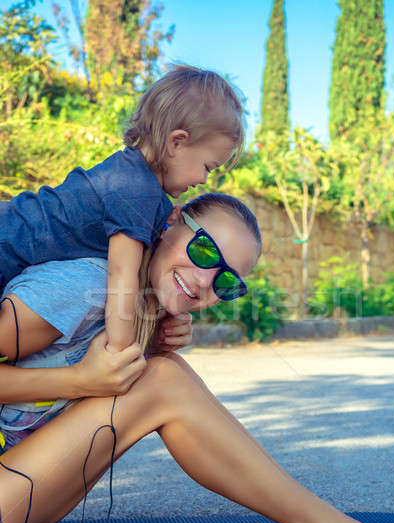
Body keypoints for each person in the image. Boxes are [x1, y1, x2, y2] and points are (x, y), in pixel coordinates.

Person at [0, 193, 394, 523]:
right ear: (169, 223)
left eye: (227, 280)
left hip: (19, 514)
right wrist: (79, 381)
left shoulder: (127, 312)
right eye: (205, 250)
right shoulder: (80, 287)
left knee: (162, 374)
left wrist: (146, 343)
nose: (207, 280)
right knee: (163, 382)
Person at [0, 65, 243, 356]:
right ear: (177, 143)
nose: (204, 180)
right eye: (207, 167)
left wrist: (172, 318)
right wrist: (120, 351)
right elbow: (122, 275)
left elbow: (150, 268)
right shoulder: (134, 187)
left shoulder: (146, 191)